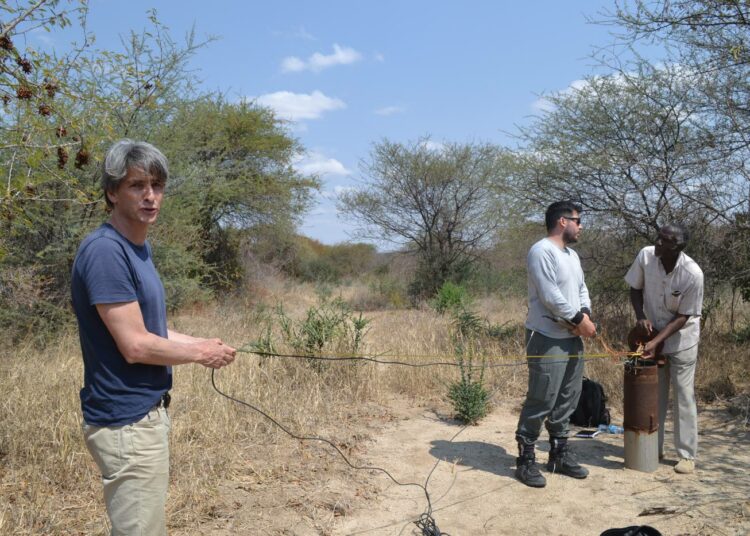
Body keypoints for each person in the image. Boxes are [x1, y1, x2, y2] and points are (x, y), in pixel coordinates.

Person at [71, 139, 237, 535]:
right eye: (137, 186)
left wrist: (203, 343)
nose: (150, 196)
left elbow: (150, 330)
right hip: (125, 422)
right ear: (112, 192)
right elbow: (135, 345)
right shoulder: (106, 252)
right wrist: (197, 353)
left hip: (143, 414)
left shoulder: (137, 247)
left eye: (157, 186)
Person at [514, 200, 597, 488]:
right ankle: (525, 459)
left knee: (568, 397)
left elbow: (581, 288)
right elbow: (550, 296)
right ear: (563, 221)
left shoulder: (572, 255)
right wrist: (578, 318)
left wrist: (584, 314)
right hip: (547, 337)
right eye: (578, 219)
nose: (581, 225)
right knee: (542, 397)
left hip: (572, 338)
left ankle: (558, 454)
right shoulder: (541, 251)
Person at [625, 224, 703, 474]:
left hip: (682, 341)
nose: (658, 242)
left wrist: (657, 343)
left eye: (665, 240)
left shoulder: (692, 274)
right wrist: (640, 317)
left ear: (677, 247)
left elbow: (684, 316)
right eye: (658, 237)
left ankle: (687, 455)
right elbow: (634, 288)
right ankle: (652, 447)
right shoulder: (646, 255)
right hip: (651, 336)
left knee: (683, 394)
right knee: (655, 394)